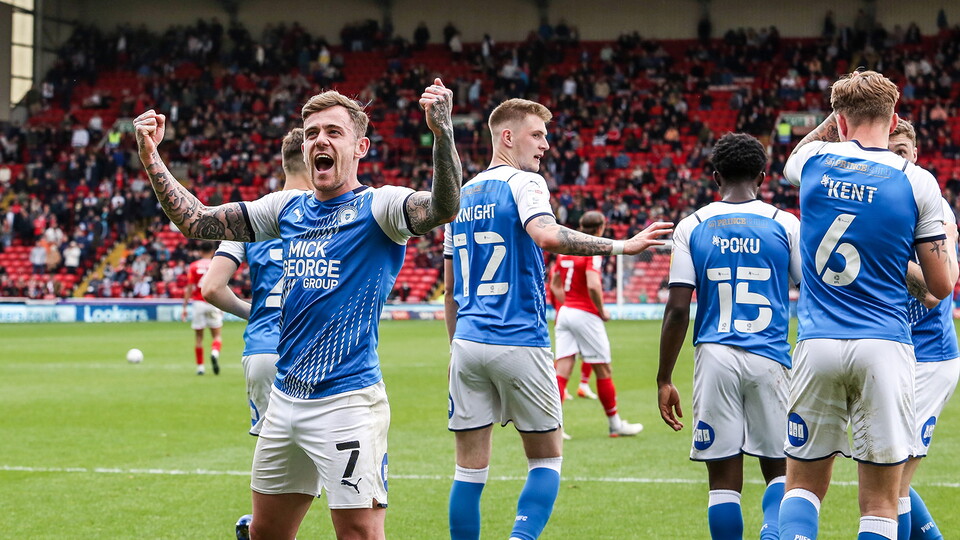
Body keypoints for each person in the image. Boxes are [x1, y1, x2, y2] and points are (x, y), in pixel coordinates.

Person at [134, 78, 462, 540]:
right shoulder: (286, 208)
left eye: (333, 131)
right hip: (285, 400)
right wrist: (151, 156)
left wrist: (442, 131)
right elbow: (198, 222)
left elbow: (445, 206)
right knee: (265, 533)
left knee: (359, 534)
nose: (319, 141)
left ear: (360, 146)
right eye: (311, 134)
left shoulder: (380, 207)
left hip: (347, 401)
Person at [443, 97, 672, 540]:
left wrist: (457, 348)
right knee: (546, 460)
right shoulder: (525, 182)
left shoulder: (460, 196)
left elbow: (450, 290)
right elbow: (547, 235)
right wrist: (623, 245)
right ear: (507, 137)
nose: (546, 145)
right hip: (519, 340)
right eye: (538, 134)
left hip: (467, 344)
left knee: (468, 471)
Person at [778, 71, 953, 540]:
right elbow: (943, 284)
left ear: (838, 120)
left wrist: (833, 121)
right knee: (879, 501)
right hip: (884, 345)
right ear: (895, 116)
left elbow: (791, 156)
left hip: (816, 343)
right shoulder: (917, 181)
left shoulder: (813, 160)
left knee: (802, 487)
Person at [657, 133, 801, 540]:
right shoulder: (784, 223)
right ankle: (773, 533)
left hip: (715, 357)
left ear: (715, 175)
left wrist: (664, 378)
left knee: (722, 481)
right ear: (764, 173)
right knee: (780, 470)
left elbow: (679, 308)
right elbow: (808, 290)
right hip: (770, 356)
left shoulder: (692, 225)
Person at [201, 127, 311, 435]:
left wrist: (257, 312)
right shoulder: (329, 214)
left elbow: (211, 288)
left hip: (262, 350)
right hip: (313, 350)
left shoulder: (251, 215)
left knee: (274, 471)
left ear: (283, 162)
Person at [888, 118, 960, 540]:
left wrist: (882, 251)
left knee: (891, 481)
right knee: (890, 478)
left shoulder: (933, 209)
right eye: (887, 151)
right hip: (900, 356)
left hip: (929, 360)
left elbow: (933, 294)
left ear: (914, 155)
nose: (894, 160)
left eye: (901, 152)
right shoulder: (889, 207)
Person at [551, 210, 643, 438]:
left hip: (565, 313)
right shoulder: (592, 250)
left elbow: (554, 284)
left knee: (562, 369)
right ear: (601, 228)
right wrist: (601, 311)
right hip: (585, 315)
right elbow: (593, 284)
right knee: (603, 369)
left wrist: (568, 304)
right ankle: (615, 425)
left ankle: (553, 426)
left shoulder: (565, 250)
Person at [183, 240, 223, 375]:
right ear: (213, 251)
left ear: (200, 252)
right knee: (216, 335)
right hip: (213, 302)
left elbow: (189, 288)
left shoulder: (194, 266)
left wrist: (184, 306)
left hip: (198, 303)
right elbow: (221, 285)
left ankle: (200, 367)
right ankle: (215, 352)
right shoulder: (216, 265)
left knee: (199, 338)